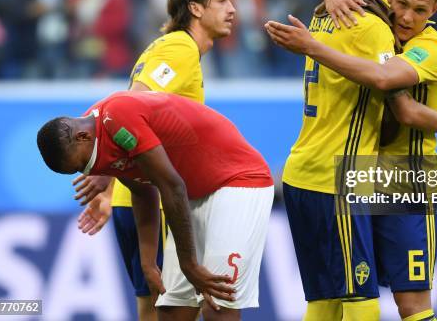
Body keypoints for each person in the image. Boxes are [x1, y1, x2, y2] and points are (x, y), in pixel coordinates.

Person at [266, 0, 437, 321]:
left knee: (411, 303)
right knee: (348, 291)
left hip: (409, 183)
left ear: (434, 10)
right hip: (368, 180)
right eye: (401, 5)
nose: (406, 16)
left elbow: (398, 99)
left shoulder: (430, 46)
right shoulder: (381, 17)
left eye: (420, 10)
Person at [74, 0, 236, 321]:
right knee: (182, 309)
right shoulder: (179, 48)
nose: (232, 9)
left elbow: (133, 117)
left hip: (135, 199)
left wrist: (110, 183)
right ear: (195, 8)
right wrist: (106, 171)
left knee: (153, 311)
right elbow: (133, 105)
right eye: (222, 1)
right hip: (157, 207)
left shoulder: (170, 48)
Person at [37, 90, 274, 321]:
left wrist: (189, 265)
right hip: (192, 192)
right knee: (171, 309)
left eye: (81, 165)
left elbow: (171, 186)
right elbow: (142, 190)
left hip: (239, 181)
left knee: (218, 306)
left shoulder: (118, 118)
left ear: (83, 137)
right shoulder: (91, 132)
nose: (87, 171)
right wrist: (148, 262)